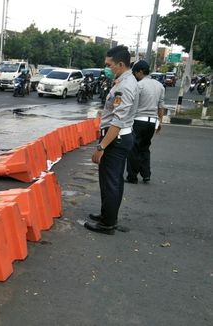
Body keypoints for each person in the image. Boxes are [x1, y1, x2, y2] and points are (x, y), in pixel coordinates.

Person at [85, 45, 138, 235]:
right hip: (118, 137)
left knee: (111, 181)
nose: (107, 68)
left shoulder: (125, 86)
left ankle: (107, 224)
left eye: (109, 65)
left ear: (120, 64)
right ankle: (107, 215)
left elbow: (118, 121)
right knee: (113, 180)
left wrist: (101, 147)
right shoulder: (123, 81)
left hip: (115, 140)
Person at [126, 60, 165, 184]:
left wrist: (128, 122)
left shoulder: (139, 85)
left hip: (139, 121)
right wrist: (160, 122)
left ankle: (132, 177)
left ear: (140, 72)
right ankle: (146, 174)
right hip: (152, 122)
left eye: (135, 73)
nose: (134, 75)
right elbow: (161, 106)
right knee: (145, 148)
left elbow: (134, 105)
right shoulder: (160, 86)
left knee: (133, 148)